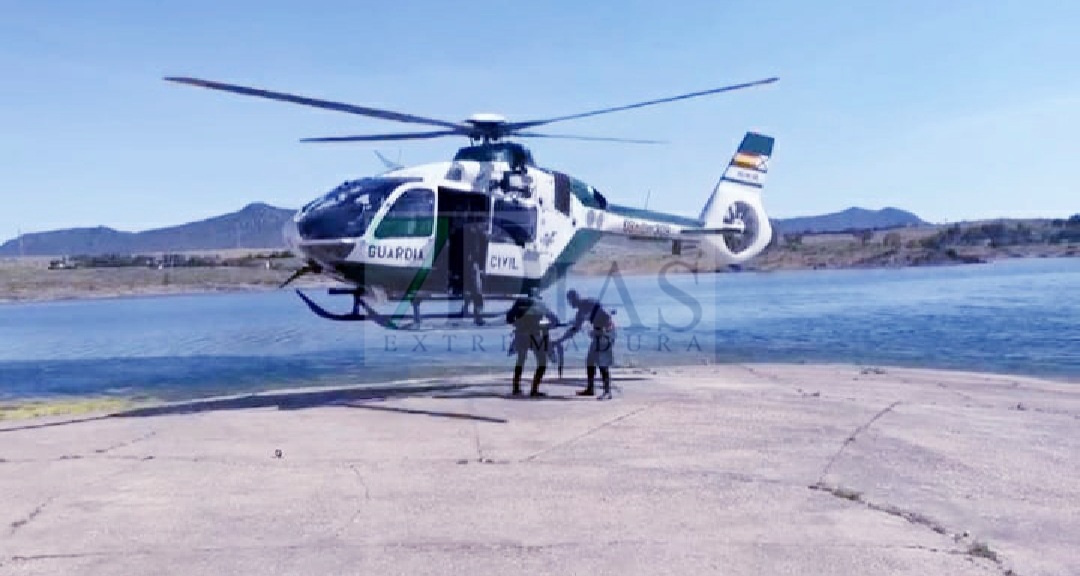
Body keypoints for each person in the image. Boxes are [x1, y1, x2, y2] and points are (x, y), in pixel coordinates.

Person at [555, 289, 615, 399]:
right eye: (569, 301)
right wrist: (559, 340)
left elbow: (607, 315)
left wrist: (604, 330)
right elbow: (574, 330)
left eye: (570, 301)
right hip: (598, 335)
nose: (570, 304)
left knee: (602, 362)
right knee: (590, 361)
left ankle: (607, 392)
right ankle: (590, 389)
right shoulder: (580, 312)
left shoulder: (590, 303)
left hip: (606, 333)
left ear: (576, 298)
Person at [505, 292, 559, 397]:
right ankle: (534, 389)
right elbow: (555, 321)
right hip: (535, 335)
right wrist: (544, 326)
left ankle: (516, 388)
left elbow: (509, 319)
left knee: (520, 361)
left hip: (521, 335)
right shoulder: (541, 304)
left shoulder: (519, 302)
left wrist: (518, 323)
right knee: (542, 362)